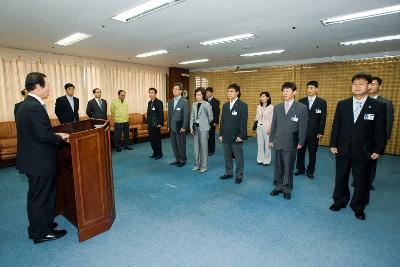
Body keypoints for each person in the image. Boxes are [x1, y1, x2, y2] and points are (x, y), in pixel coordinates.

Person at [16, 72, 69, 244]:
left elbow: (38, 132)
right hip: (39, 162)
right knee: (41, 198)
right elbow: (43, 136)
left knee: (37, 196)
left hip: (33, 160)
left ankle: (41, 226)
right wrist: (60, 137)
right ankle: (41, 233)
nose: (49, 89)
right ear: (38, 86)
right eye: (47, 85)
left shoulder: (27, 104)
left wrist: (55, 133)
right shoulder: (34, 107)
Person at [329, 72, 386, 220]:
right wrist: (333, 143)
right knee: (340, 177)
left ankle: (359, 206)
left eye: (361, 83)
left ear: (369, 86)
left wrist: (379, 149)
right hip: (343, 148)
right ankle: (339, 201)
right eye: (355, 84)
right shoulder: (343, 104)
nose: (358, 86)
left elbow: (380, 130)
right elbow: (336, 126)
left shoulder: (378, 106)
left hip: (364, 150)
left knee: (362, 180)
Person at [269, 82, 308, 200]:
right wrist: (271, 138)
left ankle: (287, 188)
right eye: (284, 91)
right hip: (278, 141)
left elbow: (303, 126)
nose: (285, 93)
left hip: (291, 142)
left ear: (294, 92)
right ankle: (278, 186)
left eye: (288, 90)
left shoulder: (301, 107)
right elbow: (274, 124)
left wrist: (301, 141)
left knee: (288, 167)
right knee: (278, 166)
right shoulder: (278, 107)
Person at [294, 81, 327, 179]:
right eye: (308, 88)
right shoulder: (301, 101)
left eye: (311, 88)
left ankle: (310, 171)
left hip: (314, 133)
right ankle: (300, 168)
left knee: (312, 153)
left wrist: (321, 131)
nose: (309, 90)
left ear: (317, 89)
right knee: (300, 152)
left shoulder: (322, 102)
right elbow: (297, 117)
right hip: (302, 132)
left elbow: (323, 118)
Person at [368, 76, 394, 190]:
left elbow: (388, 122)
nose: (371, 86)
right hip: (360, 137)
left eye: (373, 84)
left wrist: (383, 141)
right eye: (369, 84)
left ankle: (368, 182)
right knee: (357, 159)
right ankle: (357, 179)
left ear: (380, 87)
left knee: (371, 161)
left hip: (375, 139)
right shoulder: (360, 100)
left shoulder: (386, 103)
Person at [219, 83, 248, 184]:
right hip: (226, 135)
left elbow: (243, 122)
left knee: (238, 157)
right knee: (227, 156)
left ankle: (239, 175)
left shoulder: (242, 105)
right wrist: (220, 134)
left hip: (236, 137)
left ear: (237, 93)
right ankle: (228, 172)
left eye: (232, 91)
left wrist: (241, 136)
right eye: (228, 91)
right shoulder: (226, 105)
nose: (229, 93)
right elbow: (222, 120)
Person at [190, 87, 214, 173]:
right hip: (195, 128)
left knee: (203, 147)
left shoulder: (206, 104)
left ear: (203, 95)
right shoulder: (193, 104)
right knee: (196, 148)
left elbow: (211, 117)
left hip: (204, 128)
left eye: (199, 94)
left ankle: (204, 166)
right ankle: (197, 164)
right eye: (196, 94)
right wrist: (191, 127)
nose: (197, 96)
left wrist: (204, 123)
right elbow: (192, 116)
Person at [168, 82, 189, 167]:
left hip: (180, 127)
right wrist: (169, 126)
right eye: (173, 89)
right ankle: (177, 159)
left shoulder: (184, 101)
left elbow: (186, 115)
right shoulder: (171, 101)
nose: (174, 91)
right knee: (174, 144)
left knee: (181, 144)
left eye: (176, 89)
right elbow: (169, 115)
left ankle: (183, 160)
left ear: (180, 91)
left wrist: (184, 127)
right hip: (172, 127)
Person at [254, 91, 274, 166]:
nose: (261, 98)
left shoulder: (271, 107)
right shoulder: (259, 107)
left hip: (267, 128)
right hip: (259, 127)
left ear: (268, 98)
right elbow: (257, 117)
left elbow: (272, 119)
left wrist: (270, 128)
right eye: (261, 96)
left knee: (267, 145)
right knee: (260, 143)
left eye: (263, 96)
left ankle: (267, 160)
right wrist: (255, 127)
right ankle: (260, 159)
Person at [147, 87, 164, 160]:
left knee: (157, 140)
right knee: (152, 140)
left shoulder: (159, 102)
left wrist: (160, 123)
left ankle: (159, 154)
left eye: (152, 92)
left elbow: (161, 114)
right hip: (150, 125)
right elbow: (149, 114)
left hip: (156, 124)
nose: (150, 94)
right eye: (149, 92)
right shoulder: (149, 102)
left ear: (155, 94)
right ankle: (154, 153)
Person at [205, 87, 220, 156]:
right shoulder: (204, 100)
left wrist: (216, 122)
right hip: (204, 121)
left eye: (208, 93)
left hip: (212, 122)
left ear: (212, 93)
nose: (207, 94)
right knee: (205, 136)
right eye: (206, 93)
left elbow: (217, 112)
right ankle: (206, 149)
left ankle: (211, 150)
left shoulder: (216, 101)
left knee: (211, 136)